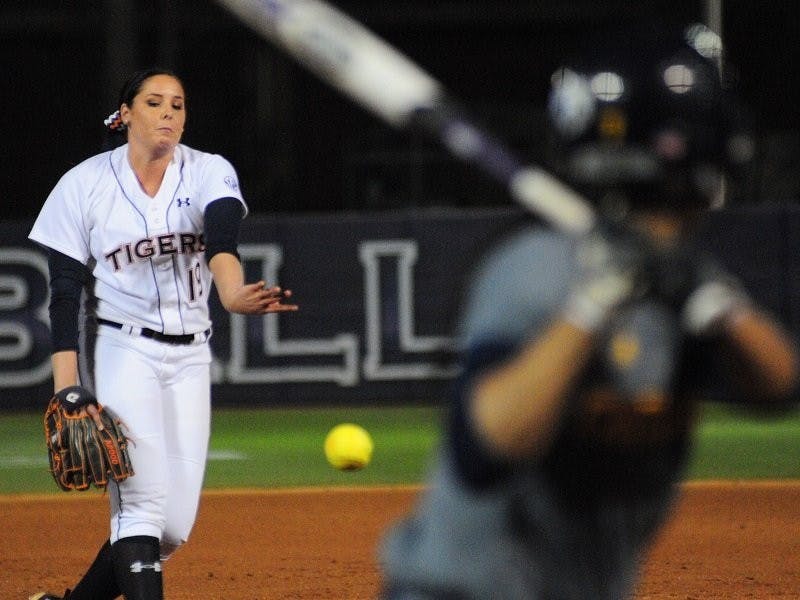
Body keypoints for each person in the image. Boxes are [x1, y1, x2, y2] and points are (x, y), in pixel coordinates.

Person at [378, 22, 800, 600]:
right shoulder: (536, 269)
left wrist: (715, 304)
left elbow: (780, 385)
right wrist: (594, 303)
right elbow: (484, 449)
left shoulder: (684, 275)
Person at [27, 67, 297, 600]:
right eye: (154, 103)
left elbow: (222, 237)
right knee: (142, 506)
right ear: (125, 114)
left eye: (177, 104)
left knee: (171, 529)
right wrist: (67, 386)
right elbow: (64, 291)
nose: (169, 113)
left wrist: (231, 291)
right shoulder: (82, 185)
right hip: (127, 348)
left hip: (192, 358)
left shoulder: (207, 170)